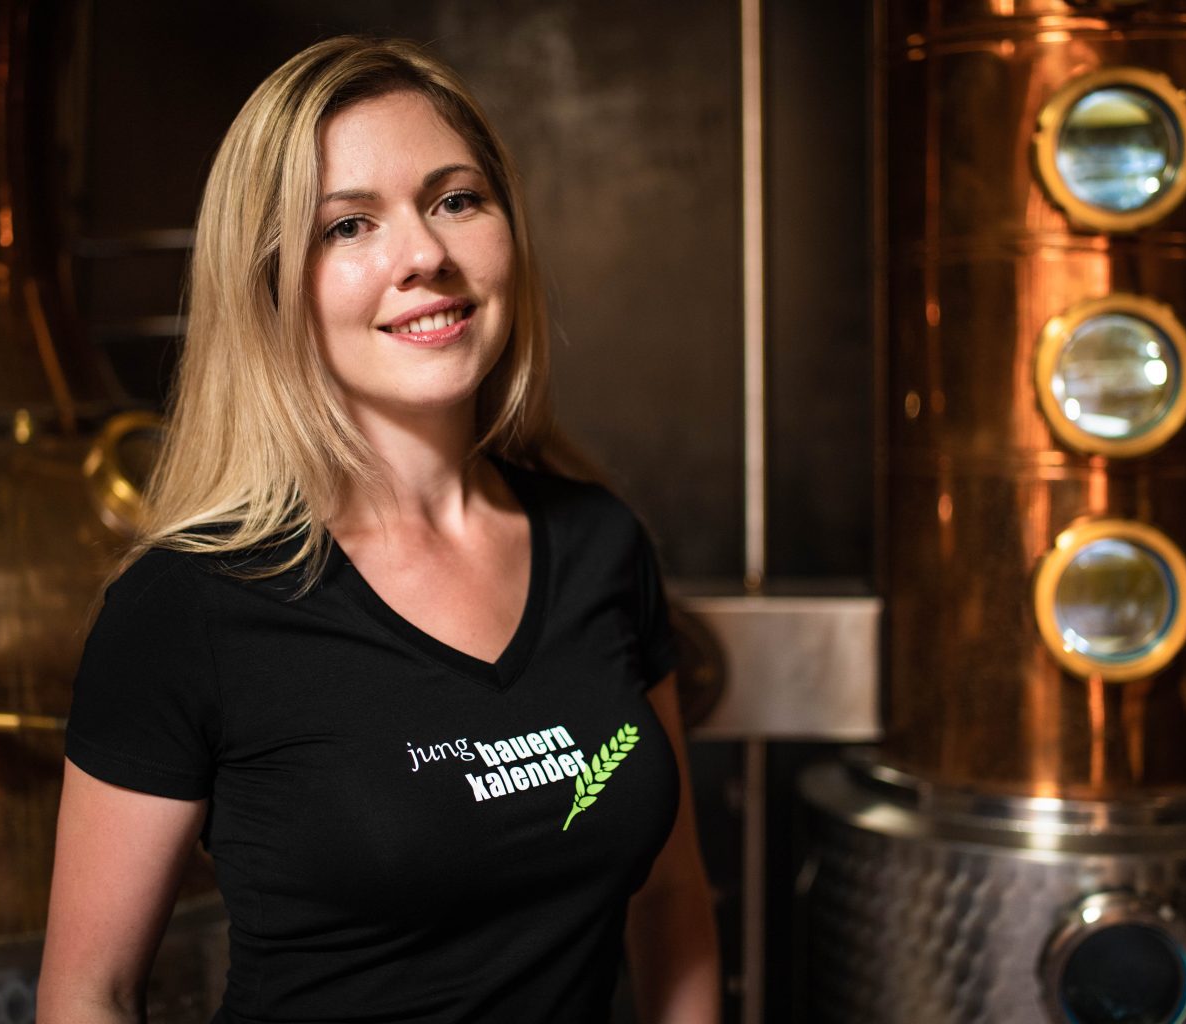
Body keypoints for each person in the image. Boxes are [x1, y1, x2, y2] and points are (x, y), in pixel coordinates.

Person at [37, 36, 720, 1024]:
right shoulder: (186, 610)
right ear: (271, 285)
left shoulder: (600, 543)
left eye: (456, 199)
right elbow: (87, 993)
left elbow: (672, 900)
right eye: (349, 225)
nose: (425, 255)